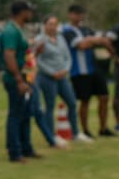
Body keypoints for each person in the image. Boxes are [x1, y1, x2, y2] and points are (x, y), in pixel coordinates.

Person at [62, 5, 114, 139]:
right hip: (79, 71)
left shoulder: (85, 29)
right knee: (85, 100)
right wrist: (93, 40)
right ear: (70, 14)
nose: (80, 16)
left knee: (104, 97)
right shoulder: (66, 31)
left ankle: (103, 128)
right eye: (77, 13)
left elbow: (102, 40)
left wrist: (92, 40)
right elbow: (81, 45)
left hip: (94, 68)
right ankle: (85, 130)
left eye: (81, 13)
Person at [0, 0, 40, 163]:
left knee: (25, 114)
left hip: (25, 77)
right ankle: (15, 152)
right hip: (16, 79)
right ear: (22, 12)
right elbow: (9, 55)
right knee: (16, 115)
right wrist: (18, 80)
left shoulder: (19, 29)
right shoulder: (10, 31)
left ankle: (26, 148)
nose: (31, 14)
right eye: (29, 11)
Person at [34, 15, 85, 144]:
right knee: (50, 105)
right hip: (47, 77)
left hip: (62, 76)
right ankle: (52, 136)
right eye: (50, 24)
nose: (53, 27)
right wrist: (52, 73)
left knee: (72, 102)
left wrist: (66, 69)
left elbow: (67, 56)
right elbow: (37, 60)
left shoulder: (61, 38)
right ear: (45, 25)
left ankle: (75, 133)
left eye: (55, 24)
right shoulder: (39, 40)